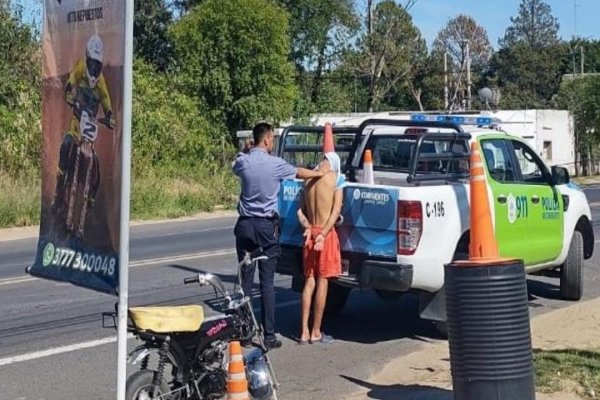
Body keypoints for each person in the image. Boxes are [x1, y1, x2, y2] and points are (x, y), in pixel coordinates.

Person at [233, 122, 326, 350]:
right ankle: (269, 334)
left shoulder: (243, 162)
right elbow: (299, 173)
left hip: (244, 226)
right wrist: (319, 173)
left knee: (245, 280)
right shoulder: (275, 164)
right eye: (272, 139)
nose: (272, 142)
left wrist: (247, 149)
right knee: (266, 282)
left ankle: (244, 331)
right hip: (266, 228)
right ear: (266, 140)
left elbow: (236, 164)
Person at [52, 34, 116, 215]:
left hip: (90, 131)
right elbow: (71, 82)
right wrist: (69, 94)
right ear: (87, 59)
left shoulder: (101, 82)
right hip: (77, 125)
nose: (94, 68)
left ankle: (90, 200)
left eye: (97, 65)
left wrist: (109, 115)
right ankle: (58, 192)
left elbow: (105, 99)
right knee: (65, 145)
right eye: (92, 64)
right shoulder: (80, 68)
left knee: (96, 165)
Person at [296, 152, 344, 345]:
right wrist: (323, 234)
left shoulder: (307, 180)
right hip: (325, 234)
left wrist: (308, 227)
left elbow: (300, 210)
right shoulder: (337, 179)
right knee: (322, 281)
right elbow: (336, 211)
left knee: (309, 281)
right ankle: (316, 330)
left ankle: (303, 331)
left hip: (310, 233)